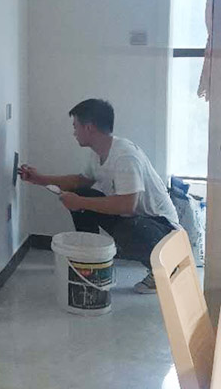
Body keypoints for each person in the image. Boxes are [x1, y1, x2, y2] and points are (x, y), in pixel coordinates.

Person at [19, 98, 179, 294]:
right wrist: (40, 179)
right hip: (135, 219)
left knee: (122, 225)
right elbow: (80, 182)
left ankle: (165, 268)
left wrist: (79, 202)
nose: (74, 132)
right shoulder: (99, 152)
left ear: (89, 128)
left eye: (75, 126)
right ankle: (91, 261)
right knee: (82, 194)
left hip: (161, 229)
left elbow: (127, 205)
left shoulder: (125, 156)